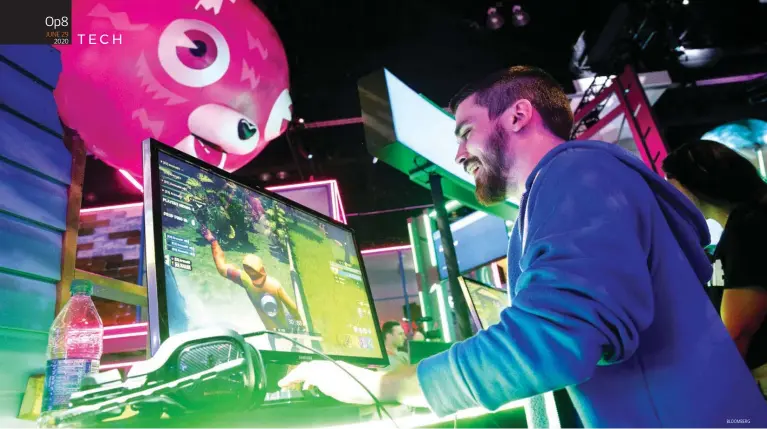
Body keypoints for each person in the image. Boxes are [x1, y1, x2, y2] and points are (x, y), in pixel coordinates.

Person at [279, 66, 767, 426]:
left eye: (465, 132)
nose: (458, 152)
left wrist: (384, 385)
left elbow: (554, 341)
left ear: (517, 115)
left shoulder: (575, 174)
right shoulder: (587, 182)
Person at [663, 140, 767, 394]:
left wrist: (721, 393)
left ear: (693, 184)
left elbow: (738, 332)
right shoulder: (742, 226)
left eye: (671, 185)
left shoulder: (747, 228)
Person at [199, 224, 304, 333]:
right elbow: (293, 309)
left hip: (270, 329)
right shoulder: (274, 285)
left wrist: (213, 242)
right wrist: (301, 325)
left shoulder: (246, 280)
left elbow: (222, 268)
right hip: (285, 328)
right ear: (262, 269)